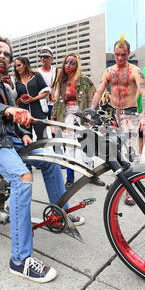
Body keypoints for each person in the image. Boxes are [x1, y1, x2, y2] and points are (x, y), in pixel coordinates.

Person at [0, 36, 84, 284]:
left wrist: (24, 133)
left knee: (50, 160)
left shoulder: (7, 88)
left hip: (9, 140)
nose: (3, 57)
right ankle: (19, 260)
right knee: (23, 178)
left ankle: (60, 213)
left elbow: (13, 121)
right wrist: (10, 110)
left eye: (7, 54)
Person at [91, 37, 145, 206]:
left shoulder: (135, 71)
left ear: (129, 53)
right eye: (117, 54)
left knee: (130, 153)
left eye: (123, 55)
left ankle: (130, 191)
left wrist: (143, 116)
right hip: (112, 116)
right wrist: (90, 112)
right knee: (113, 153)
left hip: (130, 115)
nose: (120, 58)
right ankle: (121, 184)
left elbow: (144, 94)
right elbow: (99, 92)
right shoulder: (108, 71)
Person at [51, 52, 105, 189]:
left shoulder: (85, 81)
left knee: (87, 148)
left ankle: (91, 176)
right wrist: (54, 121)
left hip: (83, 118)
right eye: (67, 62)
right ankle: (70, 179)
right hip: (67, 118)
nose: (68, 65)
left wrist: (94, 118)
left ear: (77, 65)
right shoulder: (61, 83)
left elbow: (94, 100)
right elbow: (57, 102)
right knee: (69, 148)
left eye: (72, 62)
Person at [13, 57, 50, 140]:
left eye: (19, 65)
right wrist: (20, 100)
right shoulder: (16, 82)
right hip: (24, 114)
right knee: (26, 139)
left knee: (43, 138)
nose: (17, 68)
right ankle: (30, 153)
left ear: (25, 65)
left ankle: (42, 153)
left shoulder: (36, 76)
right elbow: (15, 100)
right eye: (15, 66)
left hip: (38, 112)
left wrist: (33, 99)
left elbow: (46, 92)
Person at [38, 47, 60, 120]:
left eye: (46, 57)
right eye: (41, 57)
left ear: (51, 59)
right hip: (40, 103)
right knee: (42, 128)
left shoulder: (57, 71)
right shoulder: (36, 72)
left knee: (55, 128)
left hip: (54, 104)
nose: (43, 59)